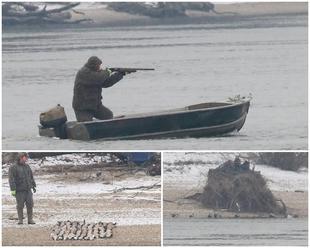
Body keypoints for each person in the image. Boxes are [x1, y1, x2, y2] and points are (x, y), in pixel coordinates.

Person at [72, 56, 125, 122]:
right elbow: (99, 78)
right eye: (98, 65)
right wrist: (108, 71)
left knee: (108, 115)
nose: (100, 67)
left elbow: (106, 83)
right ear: (93, 65)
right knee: (87, 124)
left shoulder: (96, 74)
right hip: (83, 108)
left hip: (95, 106)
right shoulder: (84, 72)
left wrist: (120, 74)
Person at [9, 152, 36, 225]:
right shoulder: (13, 167)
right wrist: (13, 190)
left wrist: (33, 186)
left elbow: (31, 176)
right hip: (19, 190)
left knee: (30, 204)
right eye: (25, 157)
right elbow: (11, 179)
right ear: (21, 157)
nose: (27, 158)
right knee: (20, 205)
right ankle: (20, 220)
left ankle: (30, 219)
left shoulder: (27, 166)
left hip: (28, 190)